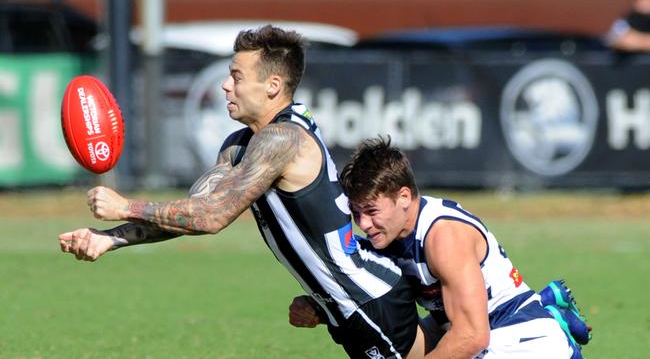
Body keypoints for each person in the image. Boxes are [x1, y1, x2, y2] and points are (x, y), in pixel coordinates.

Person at [58, 25, 429, 359]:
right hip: (346, 307)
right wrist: (109, 239)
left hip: (371, 301)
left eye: (237, 76)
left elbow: (212, 217)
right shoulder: (241, 144)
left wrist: (126, 206)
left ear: (272, 86)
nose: (225, 85)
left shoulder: (283, 139)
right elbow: (192, 211)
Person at [290, 137, 590, 359]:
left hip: (516, 330)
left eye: (371, 211)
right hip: (458, 326)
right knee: (384, 339)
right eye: (356, 213)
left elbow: (472, 336)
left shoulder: (443, 236)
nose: (363, 224)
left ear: (404, 197)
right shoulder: (386, 236)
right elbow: (361, 297)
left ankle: (550, 318)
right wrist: (318, 306)